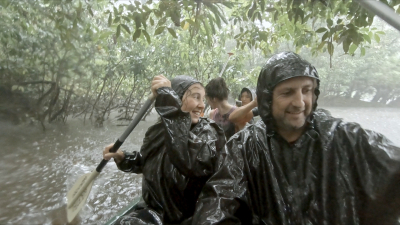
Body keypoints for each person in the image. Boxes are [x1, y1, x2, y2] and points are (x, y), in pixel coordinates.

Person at [192, 52, 400, 224]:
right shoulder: (245, 146)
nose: (300, 102)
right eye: (288, 92)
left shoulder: (343, 137)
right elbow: (217, 205)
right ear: (267, 99)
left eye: (306, 91)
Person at [103, 75, 225, 224]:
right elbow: (149, 163)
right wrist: (124, 158)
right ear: (177, 97)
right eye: (196, 97)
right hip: (153, 212)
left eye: (202, 99)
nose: (202, 105)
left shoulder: (209, 131)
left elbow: (192, 162)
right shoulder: (157, 131)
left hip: (187, 217)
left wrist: (172, 111)